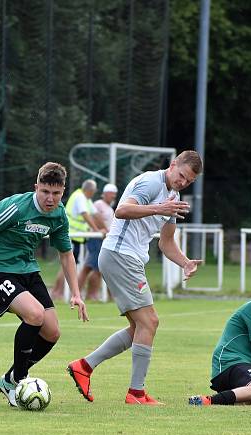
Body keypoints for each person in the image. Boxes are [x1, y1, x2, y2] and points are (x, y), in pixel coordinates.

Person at [66, 150, 204, 405]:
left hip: (128, 258)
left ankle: (84, 367)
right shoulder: (152, 182)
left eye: (189, 181)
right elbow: (122, 210)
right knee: (150, 322)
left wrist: (185, 263)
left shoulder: (174, 196)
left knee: (139, 327)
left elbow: (166, 242)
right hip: (120, 254)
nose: (183, 182)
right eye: (182, 175)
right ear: (173, 165)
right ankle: (136, 393)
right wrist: (158, 208)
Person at [0, 162, 88, 407]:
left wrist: (76, 293)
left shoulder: (58, 215)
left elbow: (66, 254)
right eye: (45, 191)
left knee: (52, 332)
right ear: (36, 187)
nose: (50, 198)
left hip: (27, 269)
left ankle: (10, 378)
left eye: (56, 193)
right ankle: (19, 381)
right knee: (34, 315)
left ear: (63, 192)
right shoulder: (15, 207)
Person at [51, 179, 106, 299]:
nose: (94, 193)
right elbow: (85, 214)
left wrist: (106, 230)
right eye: (94, 191)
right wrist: (97, 230)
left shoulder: (85, 199)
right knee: (67, 263)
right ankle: (57, 292)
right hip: (70, 235)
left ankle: (59, 292)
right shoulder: (80, 197)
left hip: (76, 237)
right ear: (90, 190)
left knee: (70, 263)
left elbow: (95, 214)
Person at [79, 182, 118, 300]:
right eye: (111, 194)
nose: (113, 197)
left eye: (114, 194)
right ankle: (90, 294)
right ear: (105, 194)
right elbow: (93, 217)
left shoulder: (109, 209)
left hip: (103, 240)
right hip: (96, 239)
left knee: (93, 268)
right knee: (93, 267)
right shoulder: (98, 204)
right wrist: (101, 229)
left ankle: (88, 293)